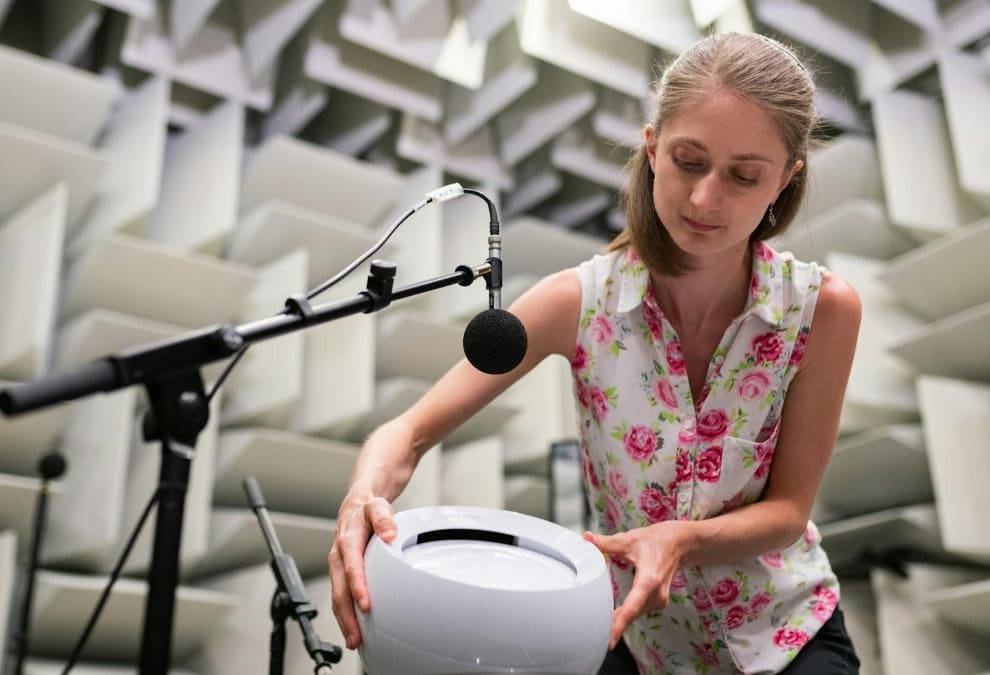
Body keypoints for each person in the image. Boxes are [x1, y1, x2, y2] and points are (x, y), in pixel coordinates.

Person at [328, 31, 863, 675]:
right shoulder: (575, 301)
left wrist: (684, 540)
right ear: (651, 147)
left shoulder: (823, 309)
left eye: (744, 176)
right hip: (636, 642)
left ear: (786, 178)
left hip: (785, 635)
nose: (704, 199)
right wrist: (362, 496)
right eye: (688, 161)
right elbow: (405, 434)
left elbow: (787, 514)